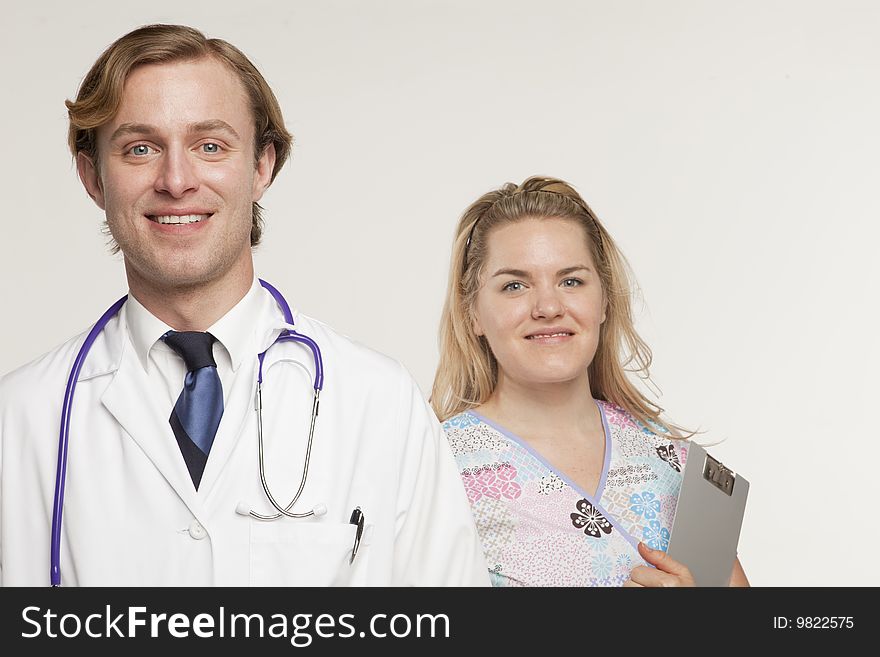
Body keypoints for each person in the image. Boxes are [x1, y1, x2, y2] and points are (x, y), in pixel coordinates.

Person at [0, 24, 489, 587]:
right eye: (140, 148)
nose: (177, 180)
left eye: (210, 146)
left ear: (261, 167)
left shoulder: (379, 401)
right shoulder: (23, 418)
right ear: (92, 176)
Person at [431, 176, 749, 587]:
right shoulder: (436, 469)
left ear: (603, 301)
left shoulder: (673, 464)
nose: (548, 306)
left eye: (571, 281)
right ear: (473, 313)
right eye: (514, 285)